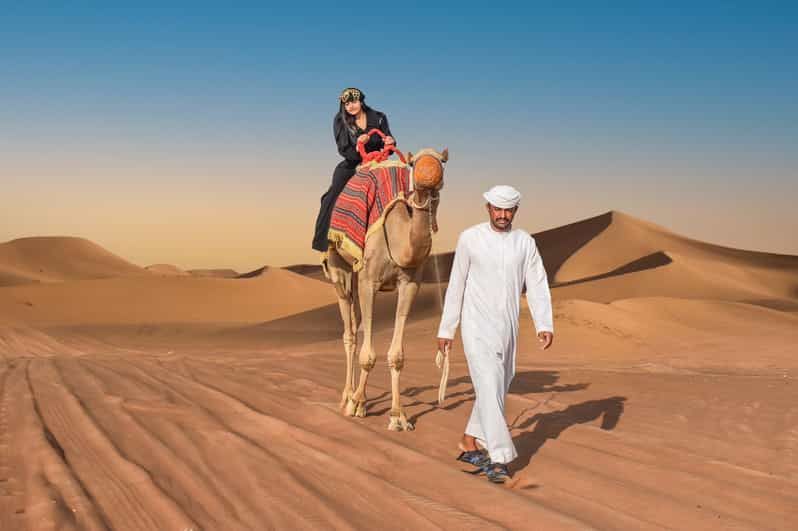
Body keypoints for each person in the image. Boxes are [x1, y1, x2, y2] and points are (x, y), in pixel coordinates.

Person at [436, 185, 554, 483]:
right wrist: (447, 328)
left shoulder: (525, 243)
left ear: (515, 211)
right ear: (487, 208)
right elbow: (456, 284)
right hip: (476, 325)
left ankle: (468, 441)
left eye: (508, 210)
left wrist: (544, 324)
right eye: (497, 209)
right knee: (488, 384)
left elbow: (537, 283)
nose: (502, 215)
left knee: (498, 387)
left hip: (508, 327)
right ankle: (499, 457)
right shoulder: (470, 239)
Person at [311, 87, 396, 252]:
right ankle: (322, 242)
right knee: (332, 196)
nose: (351, 106)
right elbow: (343, 149)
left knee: (399, 188)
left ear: (361, 101)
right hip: (352, 164)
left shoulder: (379, 118)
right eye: (347, 103)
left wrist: (390, 143)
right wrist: (358, 146)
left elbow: (389, 144)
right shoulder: (340, 120)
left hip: (377, 163)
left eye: (354, 102)